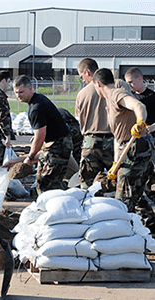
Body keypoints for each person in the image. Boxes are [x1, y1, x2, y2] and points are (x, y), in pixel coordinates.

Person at [93, 68, 155, 232]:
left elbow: (138, 105)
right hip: (128, 147)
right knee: (137, 192)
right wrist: (115, 163)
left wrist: (140, 122)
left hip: (136, 146)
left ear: (98, 84)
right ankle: (147, 228)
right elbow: (117, 135)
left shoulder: (116, 94)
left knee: (123, 199)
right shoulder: (109, 101)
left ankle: (125, 234)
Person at [4, 75, 73, 194]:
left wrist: (30, 158)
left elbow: (40, 137)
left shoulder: (36, 108)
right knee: (49, 181)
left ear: (30, 89)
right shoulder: (39, 99)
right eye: (16, 92)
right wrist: (17, 161)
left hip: (58, 146)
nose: (18, 95)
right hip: (58, 145)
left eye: (21, 92)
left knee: (46, 185)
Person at [76, 58, 130, 189]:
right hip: (113, 140)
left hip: (90, 142)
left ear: (87, 72)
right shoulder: (118, 85)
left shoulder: (81, 94)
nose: (82, 80)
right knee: (121, 180)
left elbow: (79, 117)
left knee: (87, 184)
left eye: (81, 75)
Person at [125, 67, 155, 202]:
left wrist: (151, 128)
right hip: (136, 142)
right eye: (127, 83)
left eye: (131, 82)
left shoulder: (152, 97)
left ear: (140, 79)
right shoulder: (130, 98)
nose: (129, 85)